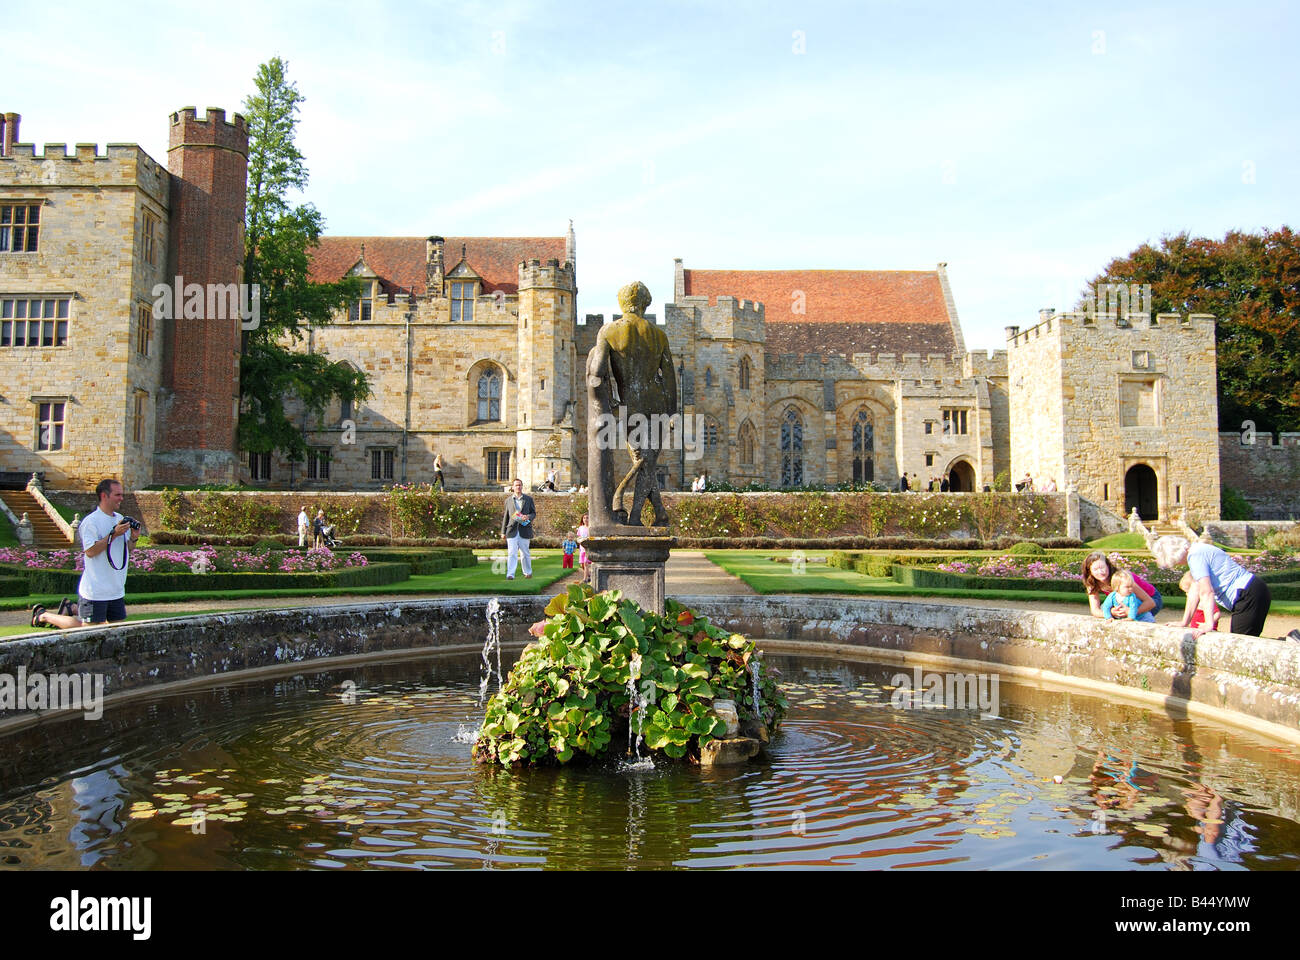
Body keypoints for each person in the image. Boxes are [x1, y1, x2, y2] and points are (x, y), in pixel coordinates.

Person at [32, 478, 138, 629]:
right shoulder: (91, 522)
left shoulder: (120, 519)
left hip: (116, 589)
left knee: (117, 632)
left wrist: (134, 537)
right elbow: (90, 551)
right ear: (104, 496)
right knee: (87, 632)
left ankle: (70, 608)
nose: (121, 498)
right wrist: (113, 535)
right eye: (118, 495)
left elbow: (127, 549)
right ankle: (43, 616)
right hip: (95, 590)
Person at [1152, 535, 1272, 638]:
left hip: (1248, 594)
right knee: (1242, 641)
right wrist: (1185, 622)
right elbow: (1195, 590)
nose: (1176, 564)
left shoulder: (1195, 556)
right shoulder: (1196, 552)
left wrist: (1208, 624)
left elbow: (1207, 592)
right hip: (1250, 592)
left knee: (1242, 643)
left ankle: (1288, 640)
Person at [1081, 551, 1161, 621]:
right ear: (1089, 572)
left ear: (1108, 566)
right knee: (1105, 608)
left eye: (1103, 567)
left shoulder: (1122, 578)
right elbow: (1095, 610)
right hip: (1126, 600)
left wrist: (1132, 612)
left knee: (1130, 616)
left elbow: (1150, 603)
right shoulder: (1092, 583)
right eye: (1095, 569)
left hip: (1151, 599)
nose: (1100, 572)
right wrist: (1111, 613)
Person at [500, 478, 536, 580]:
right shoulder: (508, 501)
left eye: (520, 485)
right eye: (516, 485)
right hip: (511, 530)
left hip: (524, 529)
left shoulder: (528, 499)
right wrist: (503, 532)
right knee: (511, 553)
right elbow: (506, 517)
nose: (518, 487)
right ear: (513, 487)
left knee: (525, 553)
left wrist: (528, 517)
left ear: (522, 486)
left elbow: (534, 513)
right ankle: (510, 574)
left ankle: (528, 572)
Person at [576, 512, 591, 584]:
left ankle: (584, 579)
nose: (586, 519)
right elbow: (578, 537)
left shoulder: (591, 528)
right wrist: (579, 540)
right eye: (584, 518)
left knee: (585, 563)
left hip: (588, 548)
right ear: (582, 519)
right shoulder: (580, 528)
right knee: (582, 564)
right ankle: (589, 576)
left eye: (587, 518)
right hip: (582, 549)